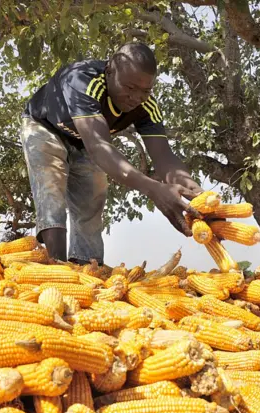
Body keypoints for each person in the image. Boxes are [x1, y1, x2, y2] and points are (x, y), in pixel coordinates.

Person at [20, 42, 203, 265]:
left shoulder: (147, 106)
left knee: (92, 200)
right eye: (129, 87)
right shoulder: (82, 81)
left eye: (145, 90)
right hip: (45, 127)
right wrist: (154, 189)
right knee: (51, 188)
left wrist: (194, 192)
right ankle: (55, 269)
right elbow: (99, 147)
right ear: (109, 71)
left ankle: (87, 267)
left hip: (86, 139)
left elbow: (164, 157)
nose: (136, 97)